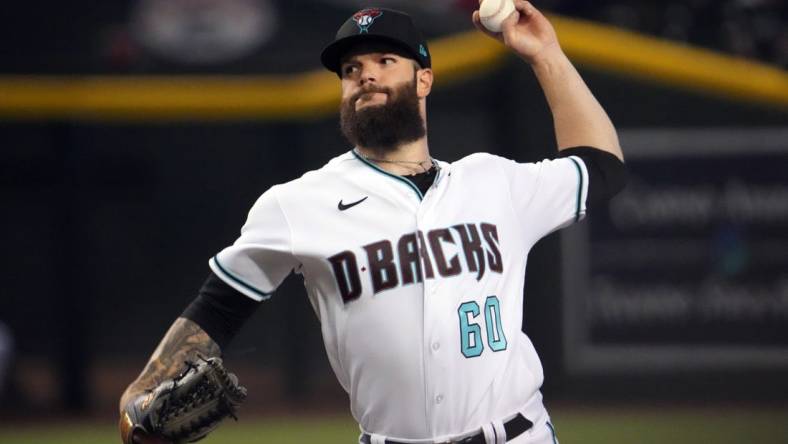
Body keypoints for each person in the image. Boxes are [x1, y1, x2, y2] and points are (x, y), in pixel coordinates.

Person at [119, 2, 626, 443]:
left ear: (424, 78)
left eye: (386, 60)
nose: (365, 75)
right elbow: (219, 308)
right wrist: (141, 391)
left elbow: (602, 166)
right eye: (351, 68)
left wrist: (545, 53)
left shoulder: (495, 183)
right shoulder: (298, 204)